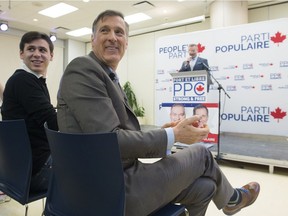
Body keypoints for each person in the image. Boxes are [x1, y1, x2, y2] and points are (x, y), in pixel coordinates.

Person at [56, 10, 260, 216]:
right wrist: (174, 136)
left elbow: (119, 132)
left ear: (126, 42)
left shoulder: (108, 76)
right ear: (92, 39)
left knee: (206, 187)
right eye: (104, 31)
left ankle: (229, 199)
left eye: (119, 32)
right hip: (105, 191)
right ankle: (232, 199)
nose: (112, 37)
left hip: (123, 179)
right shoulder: (83, 69)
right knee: (202, 154)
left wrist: (165, 132)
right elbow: (111, 141)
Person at [1, 31, 58, 193]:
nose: (37, 54)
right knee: (92, 173)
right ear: (21, 53)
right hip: (36, 170)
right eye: (31, 49)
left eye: (42, 50)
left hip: (20, 171)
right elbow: (53, 123)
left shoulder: (31, 80)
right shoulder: (24, 80)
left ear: (51, 55)